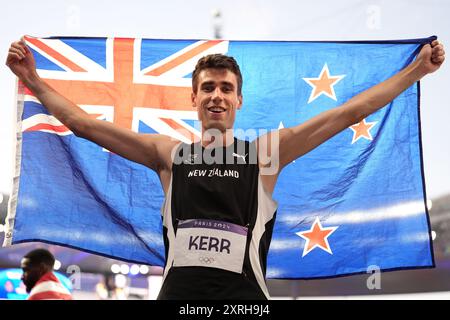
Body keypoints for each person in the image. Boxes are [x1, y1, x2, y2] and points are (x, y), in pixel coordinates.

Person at [6, 37, 445, 300]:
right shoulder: (168, 155)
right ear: (194, 100)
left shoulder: (264, 155)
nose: (217, 95)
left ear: (238, 101)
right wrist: (34, 78)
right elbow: (84, 125)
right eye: (208, 88)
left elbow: (348, 112)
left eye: (226, 89)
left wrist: (417, 71)